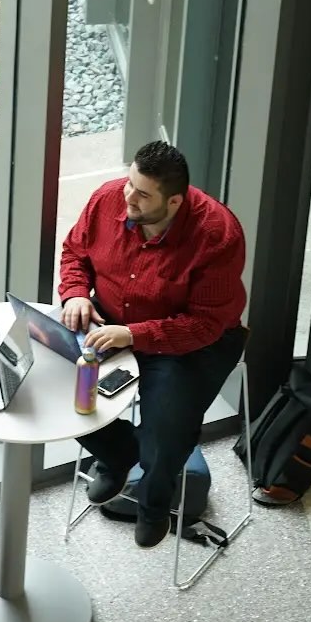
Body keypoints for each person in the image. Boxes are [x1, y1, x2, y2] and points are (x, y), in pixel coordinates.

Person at [58, 140, 248, 547]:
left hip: (192, 339)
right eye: (130, 183)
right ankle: (118, 455)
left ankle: (154, 502)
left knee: (167, 424)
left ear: (175, 201)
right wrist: (75, 292)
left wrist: (135, 335)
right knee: (60, 389)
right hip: (112, 318)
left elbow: (205, 324)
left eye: (142, 194)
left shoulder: (218, 234)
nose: (128, 196)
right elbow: (75, 251)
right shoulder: (109, 198)